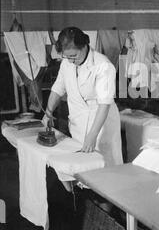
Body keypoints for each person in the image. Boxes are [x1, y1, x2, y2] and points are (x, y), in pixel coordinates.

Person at [42, 27, 123, 166]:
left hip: (101, 126)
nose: (71, 61)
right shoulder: (67, 63)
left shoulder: (103, 65)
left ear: (84, 46)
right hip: (78, 123)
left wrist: (93, 135)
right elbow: (57, 89)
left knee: (105, 168)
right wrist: (48, 113)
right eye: (67, 57)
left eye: (74, 56)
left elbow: (104, 104)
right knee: (81, 168)